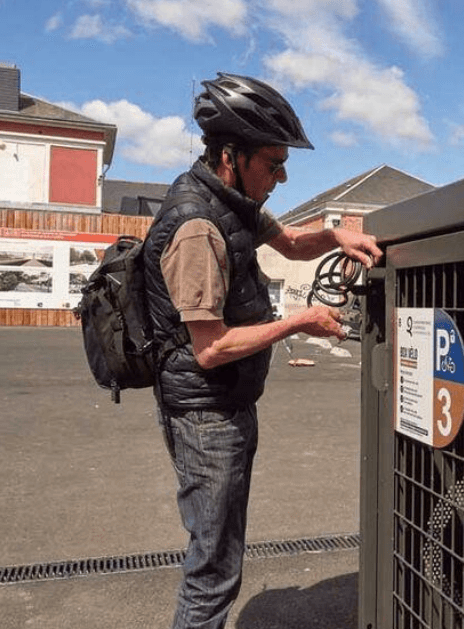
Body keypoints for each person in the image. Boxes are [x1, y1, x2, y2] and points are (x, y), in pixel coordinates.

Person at [142, 72, 382, 629]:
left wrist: (338, 235)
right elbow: (211, 347)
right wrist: (299, 321)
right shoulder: (198, 226)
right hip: (206, 416)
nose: (282, 175)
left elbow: (293, 243)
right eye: (273, 164)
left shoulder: (231, 198)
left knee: (219, 556)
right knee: (213, 570)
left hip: (226, 405)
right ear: (231, 156)